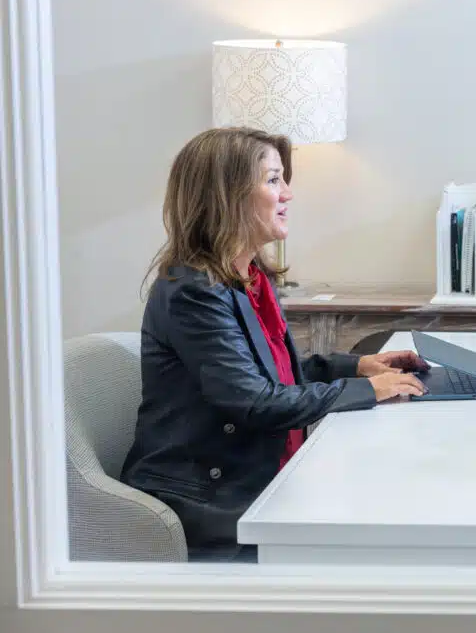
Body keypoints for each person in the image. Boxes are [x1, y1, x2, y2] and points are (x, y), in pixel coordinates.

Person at [121, 127, 430, 562]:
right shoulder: (192, 291)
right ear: (228, 195)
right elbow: (253, 401)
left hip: (259, 476)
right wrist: (368, 392)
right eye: (272, 180)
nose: (288, 193)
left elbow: (275, 370)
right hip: (213, 501)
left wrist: (359, 367)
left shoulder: (248, 277)